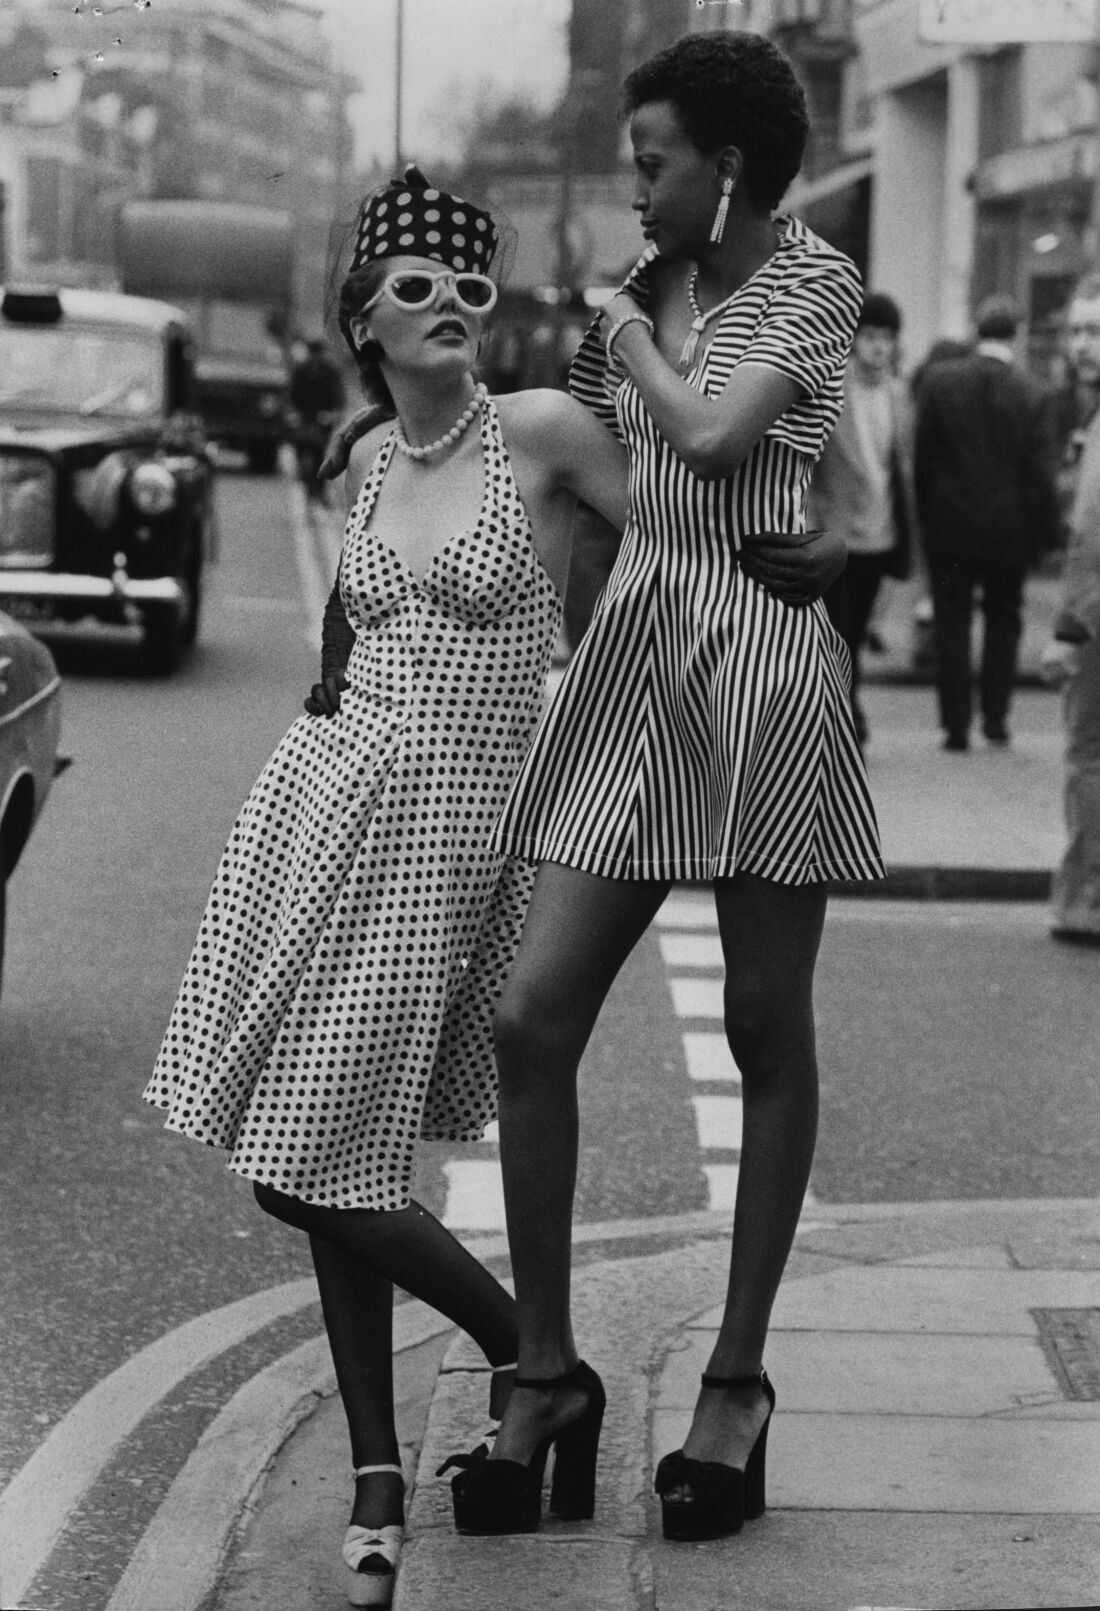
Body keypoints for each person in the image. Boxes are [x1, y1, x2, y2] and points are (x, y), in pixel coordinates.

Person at [143, 164, 643, 1608]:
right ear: (364, 318)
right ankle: (378, 1469)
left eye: (470, 290)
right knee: (326, 1150)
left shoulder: (539, 432)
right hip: (324, 818)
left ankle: (538, 1361)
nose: (453, 313)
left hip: (447, 842)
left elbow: (674, 550)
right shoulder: (366, 461)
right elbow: (341, 658)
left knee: (303, 1160)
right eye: (417, 289)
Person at [448, 31, 883, 1545]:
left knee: (765, 1024)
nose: (637, 189)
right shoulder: (640, 306)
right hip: (640, 665)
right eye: (636, 162)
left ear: (733, 167)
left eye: (654, 162)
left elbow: (712, 431)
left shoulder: (807, 283)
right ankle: (550, 1369)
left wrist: (631, 331)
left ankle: (738, 1378)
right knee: (532, 1013)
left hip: (765, 671)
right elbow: (566, 465)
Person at [913, 294, 1061, 751]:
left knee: (952, 621)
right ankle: (995, 717)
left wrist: (925, 516)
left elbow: (923, 459)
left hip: (950, 529)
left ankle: (955, 725)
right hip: (1007, 532)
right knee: (1003, 620)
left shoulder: (939, 383)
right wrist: (1048, 532)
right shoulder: (1033, 392)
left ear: (977, 332)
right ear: (1015, 333)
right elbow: (1041, 474)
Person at [811, 290, 914, 744]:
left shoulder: (900, 395)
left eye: (885, 337)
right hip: (835, 533)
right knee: (839, 633)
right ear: (852, 340)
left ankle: (845, 710)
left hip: (881, 534)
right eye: (868, 336)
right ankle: (845, 718)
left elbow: (902, 468)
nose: (876, 346)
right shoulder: (831, 390)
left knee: (853, 636)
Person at [1041, 273, 1100, 945]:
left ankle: (1085, 900)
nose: (1084, 344)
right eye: (1078, 329)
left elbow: (1090, 533)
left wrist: (1066, 631)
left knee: (1088, 758)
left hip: (1093, 623)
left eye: (1096, 330)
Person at [290, 336, 348, 502]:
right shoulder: (300, 370)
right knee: (301, 449)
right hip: (304, 417)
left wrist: (333, 413)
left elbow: (338, 396)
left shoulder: (330, 372)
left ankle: (318, 490)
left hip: (323, 417)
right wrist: (295, 413)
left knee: (318, 454)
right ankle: (305, 481)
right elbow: (292, 394)